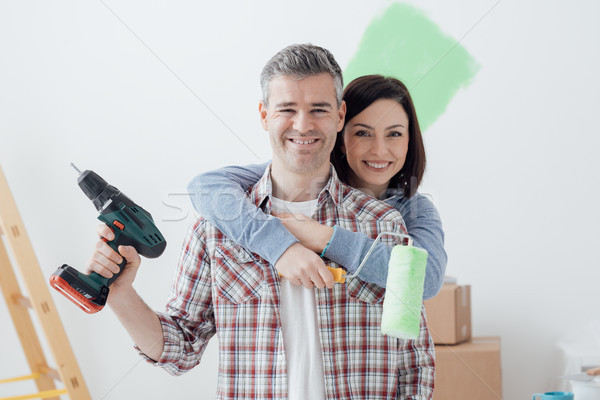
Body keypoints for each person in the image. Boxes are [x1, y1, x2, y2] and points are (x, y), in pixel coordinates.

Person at [86, 44, 435, 399]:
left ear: (340, 115)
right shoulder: (217, 229)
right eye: (287, 109)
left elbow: (414, 360)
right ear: (264, 115)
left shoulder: (384, 225)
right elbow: (182, 347)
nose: (303, 125)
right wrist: (121, 294)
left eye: (319, 109)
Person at [188, 75, 447, 299]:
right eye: (362, 133)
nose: (379, 150)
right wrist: (277, 244)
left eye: (394, 134)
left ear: (410, 140)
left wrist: (322, 237)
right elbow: (205, 186)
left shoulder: (413, 210)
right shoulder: (307, 180)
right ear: (340, 136)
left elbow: (426, 281)